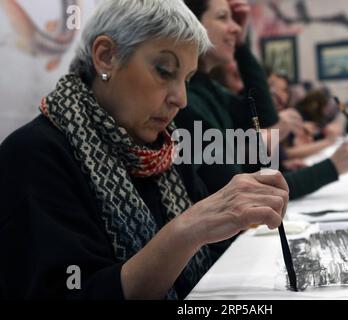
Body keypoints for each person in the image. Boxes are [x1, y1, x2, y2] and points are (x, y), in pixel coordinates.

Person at [0, 0, 289, 300]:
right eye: (165, 71)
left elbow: (213, 260)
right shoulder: (33, 155)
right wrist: (187, 230)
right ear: (106, 56)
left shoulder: (165, 147)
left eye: (187, 79)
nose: (181, 99)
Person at [175, 0, 348, 200]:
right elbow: (243, 194)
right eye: (223, 18)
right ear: (192, 22)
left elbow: (266, 118)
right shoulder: (188, 100)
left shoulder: (207, 89)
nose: (235, 28)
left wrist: (241, 45)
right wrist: (332, 167)